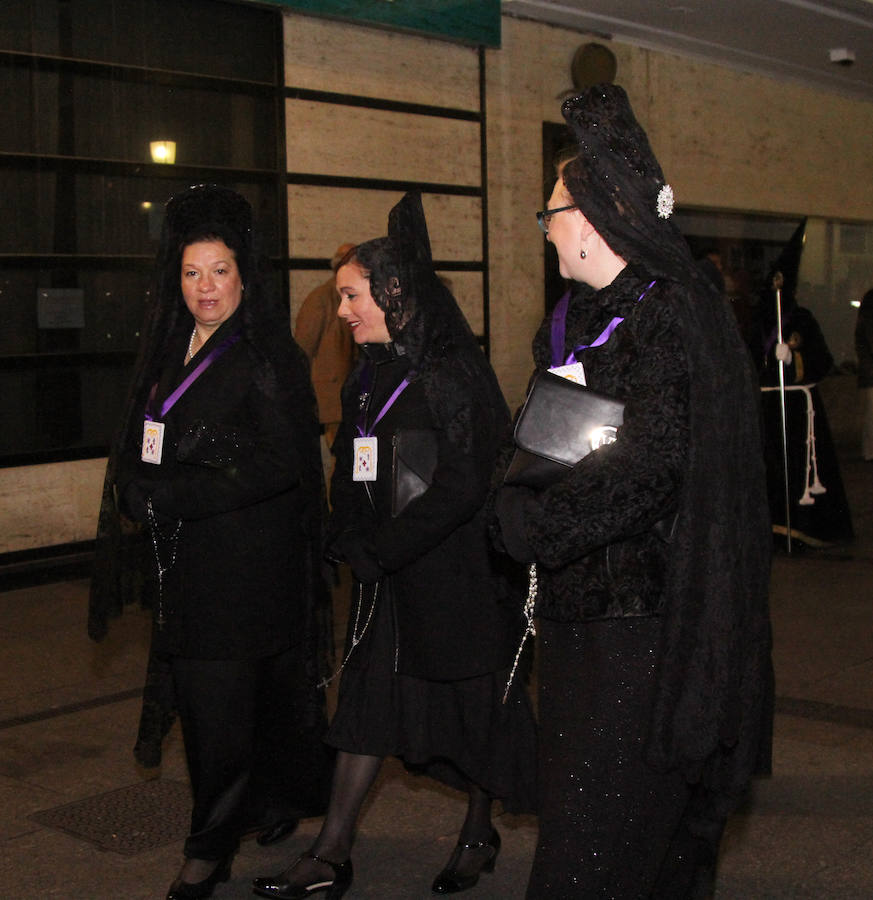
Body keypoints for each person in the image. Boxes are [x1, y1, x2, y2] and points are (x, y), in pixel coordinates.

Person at [492, 85, 773, 898]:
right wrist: (506, 494)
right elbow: (545, 428)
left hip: (642, 632)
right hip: (580, 620)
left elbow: (652, 470)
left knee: (595, 851)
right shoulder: (580, 316)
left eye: (552, 213)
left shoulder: (669, 317)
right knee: (604, 841)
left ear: (594, 217)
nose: (545, 229)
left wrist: (535, 526)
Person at [253, 191, 536, 900]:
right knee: (364, 708)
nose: (342, 310)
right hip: (386, 577)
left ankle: (478, 829)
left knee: (473, 709)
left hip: (456, 577)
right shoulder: (367, 375)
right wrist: (346, 530)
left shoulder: (452, 373)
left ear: (392, 293)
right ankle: (331, 851)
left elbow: (467, 483)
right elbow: (351, 461)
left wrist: (386, 547)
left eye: (351, 296)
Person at [88, 184, 333, 900]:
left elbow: (282, 464)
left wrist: (176, 495)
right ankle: (275, 805)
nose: (204, 288)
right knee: (231, 708)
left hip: (246, 571)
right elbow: (147, 435)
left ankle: (208, 850)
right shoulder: (172, 350)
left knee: (218, 715)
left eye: (218, 271)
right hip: (188, 569)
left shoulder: (267, 355)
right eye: (192, 273)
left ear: (242, 275)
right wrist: (133, 485)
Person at [758, 223, 854, 548]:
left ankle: (804, 529)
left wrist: (793, 359)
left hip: (799, 411)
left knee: (799, 469)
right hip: (770, 409)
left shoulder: (803, 321)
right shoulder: (760, 322)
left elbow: (822, 360)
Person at [294, 242, 357, 454]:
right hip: (331, 396)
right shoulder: (320, 298)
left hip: (347, 393)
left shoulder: (348, 296)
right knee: (341, 457)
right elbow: (303, 348)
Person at [857, 288, 873, 461]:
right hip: (871, 373)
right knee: (871, 415)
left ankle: (869, 451)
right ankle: (869, 451)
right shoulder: (868, 319)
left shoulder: (865, 319)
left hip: (869, 372)